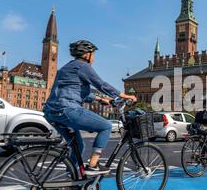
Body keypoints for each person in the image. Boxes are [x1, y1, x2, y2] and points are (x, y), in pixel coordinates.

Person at [43, 40, 137, 176]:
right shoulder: (83, 66)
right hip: (68, 109)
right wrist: (124, 95)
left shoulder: (65, 68)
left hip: (51, 112)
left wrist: (99, 99)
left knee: (78, 146)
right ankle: (93, 165)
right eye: (93, 54)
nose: (94, 58)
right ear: (87, 55)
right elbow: (101, 84)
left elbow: (73, 91)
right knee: (106, 126)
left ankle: (70, 178)